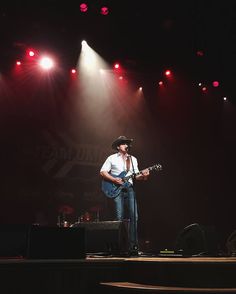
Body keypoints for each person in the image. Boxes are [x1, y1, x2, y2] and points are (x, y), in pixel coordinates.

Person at [100, 136, 149, 255]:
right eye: (123, 143)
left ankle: (133, 246)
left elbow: (136, 175)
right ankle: (119, 246)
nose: (126, 145)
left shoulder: (133, 159)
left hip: (130, 188)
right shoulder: (111, 158)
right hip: (117, 188)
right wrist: (114, 180)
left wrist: (144, 176)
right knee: (119, 217)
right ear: (118, 146)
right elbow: (102, 172)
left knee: (134, 216)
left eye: (127, 143)